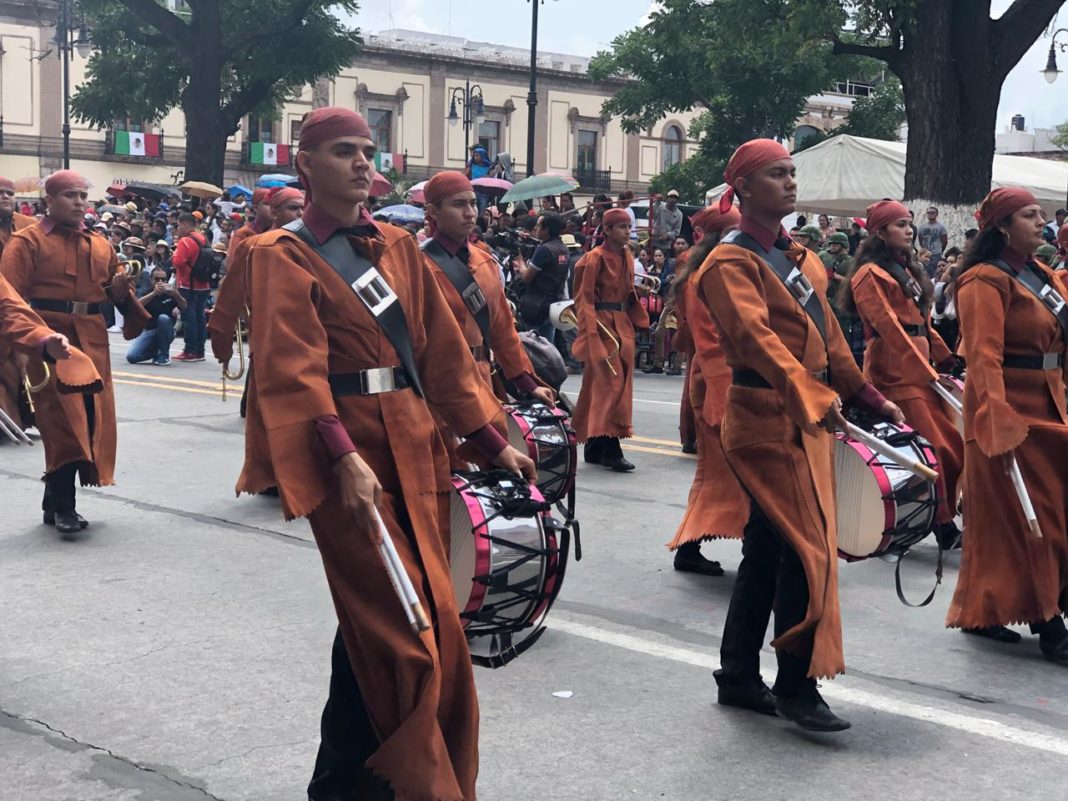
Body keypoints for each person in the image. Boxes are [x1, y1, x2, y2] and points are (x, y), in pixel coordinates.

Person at [238, 107, 535, 801]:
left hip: (417, 447)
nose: (363, 163)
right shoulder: (282, 253)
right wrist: (341, 456)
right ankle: (414, 784)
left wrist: (490, 437)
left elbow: (443, 354)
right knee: (405, 634)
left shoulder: (399, 249)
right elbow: (291, 368)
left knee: (403, 615)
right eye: (344, 151)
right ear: (306, 163)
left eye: (368, 151)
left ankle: (343, 783)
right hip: (348, 464)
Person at [698, 140, 902, 731]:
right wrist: (817, 397)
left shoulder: (802, 258)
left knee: (768, 547)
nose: (790, 182)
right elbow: (760, 344)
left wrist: (865, 393)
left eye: (792, 173)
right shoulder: (728, 263)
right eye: (775, 174)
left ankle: (737, 674)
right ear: (743, 189)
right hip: (763, 419)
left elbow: (830, 336)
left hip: (807, 415)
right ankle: (796, 685)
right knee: (809, 549)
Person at [945, 187, 1068, 662]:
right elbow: (982, 356)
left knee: (1029, 518)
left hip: (1050, 405)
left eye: (1042, 215)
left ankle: (985, 609)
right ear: (1001, 226)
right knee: (1031, 522)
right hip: (1010, 413)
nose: (1042, 222)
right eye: (1029, 216)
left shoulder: (1040, 274)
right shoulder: (982, 280)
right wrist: (994, 417)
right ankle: (1048, 621)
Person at [0, 170, 148, 534]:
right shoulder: (27, 242)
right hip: (49, 340)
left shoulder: (100, 243)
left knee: (91, 419)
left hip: (93, 339)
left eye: (83, 195)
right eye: (70, 195)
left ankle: (54, 502)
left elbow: (117, 294)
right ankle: (64, 505)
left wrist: (119, 292)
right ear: (48, 200)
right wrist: (34, 340)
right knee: (61, 421)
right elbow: (10, 300)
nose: (80, 202)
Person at [837, 200, 965, 550]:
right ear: (880, 232)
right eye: (900, 224)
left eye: (909, 223)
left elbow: (921, 324)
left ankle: (933, 520)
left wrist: (945, 357)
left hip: (917, 369)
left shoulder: (906, 270)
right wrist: (927, 369)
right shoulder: (868, 275)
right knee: (933, 450)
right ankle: (939, 525)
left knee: (951, 447)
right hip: (894, 372)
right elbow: (890, 328)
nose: (909, 230)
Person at [419, 170, 555, 467]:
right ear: (432, 212)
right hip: (437, 388)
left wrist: (527, 382)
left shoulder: (485, 261)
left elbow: (503, 329)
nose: (469, 213)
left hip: (482, 379)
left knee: (495, 473)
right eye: (458, 205)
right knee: (446, 475)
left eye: (472, 204)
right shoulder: (417, 266)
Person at [666, 203, 749, 576]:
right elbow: (709, 339)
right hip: (719, 381)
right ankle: (694, 546)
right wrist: (722, 393)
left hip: (724, 380)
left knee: (729, 475)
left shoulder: (712, 269)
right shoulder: (705, 274)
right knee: (721, 474)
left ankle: (700, 546)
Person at [571, 208, 650, 472]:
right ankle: (610, 448)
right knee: (610, 386)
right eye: (622, 227)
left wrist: (637, 303)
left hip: (622, 323)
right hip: (603, 325)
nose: (628, 231)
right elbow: (583, 299)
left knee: (614, 384)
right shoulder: (592, 259)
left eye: (629, 226)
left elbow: (627, 292)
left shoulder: (626, 255)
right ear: (606, 230)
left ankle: (596, 446)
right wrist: (590, 332)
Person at [0, 176, 38, 431]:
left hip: (23, 305)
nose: (5, 197)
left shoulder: (28, 226)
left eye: (9, 193)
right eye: (0, 193)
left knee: (24, 364)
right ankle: (10, 419)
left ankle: (25, 418)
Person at [514, 211, 570, 341]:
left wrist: (521, 265)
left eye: (539, 225)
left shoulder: (544, 249)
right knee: (547, 344)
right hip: (554, 304)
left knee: (534, 346)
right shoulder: (563, 248)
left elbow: (526, 277)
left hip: (537, 306)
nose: (535, 228)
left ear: (547, 229)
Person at [170, 213, 211, 362]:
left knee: (189, 318)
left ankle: (190, 350)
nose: (177, 229)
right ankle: (200, 351)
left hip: (188, 285)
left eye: (179, 225)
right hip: (203, 284)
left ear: (186, 224)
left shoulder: (185, 241)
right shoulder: (203, 238)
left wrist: (173, 255)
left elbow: (178, 262)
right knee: (200, 317)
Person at [126, 265, 185, 366]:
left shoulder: (170, 291)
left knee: (163, 318)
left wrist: (176, 294)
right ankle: (156, 352)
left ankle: (164, 355)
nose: (160, 281)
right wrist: (154, 293)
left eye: (163, 279)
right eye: (157, 279)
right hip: (149, 330)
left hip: (167, 329)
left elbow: (184, 306)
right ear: (151, 280)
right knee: (132, 357)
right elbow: (135, 306)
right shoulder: (146, 291)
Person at [917, 206, 948, 275]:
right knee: (924, 272)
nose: (930, 214)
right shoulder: (922, 227)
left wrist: (940, 250)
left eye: (932, 213)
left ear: (936, 214)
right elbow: (920, 239)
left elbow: (945, 241)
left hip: (936, 254)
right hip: (925, 254)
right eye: (928, 213)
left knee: (934, 272)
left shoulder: (941, 227)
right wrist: (924, 250)